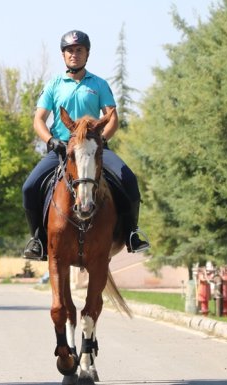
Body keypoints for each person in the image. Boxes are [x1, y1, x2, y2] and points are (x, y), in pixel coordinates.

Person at [21, 29, 149, 260]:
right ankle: (37, 239)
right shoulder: (53, 85)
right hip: (63, 149)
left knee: (128, 179)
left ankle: (132, 233)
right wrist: (51, 141)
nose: (74, 54)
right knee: (29, 187)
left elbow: (112, 118)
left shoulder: (99, 84)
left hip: (95, 149)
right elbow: (39, 120)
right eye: (69, 50)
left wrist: (100, 141)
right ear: (63, 55)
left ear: (87, 54)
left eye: (79, 50)